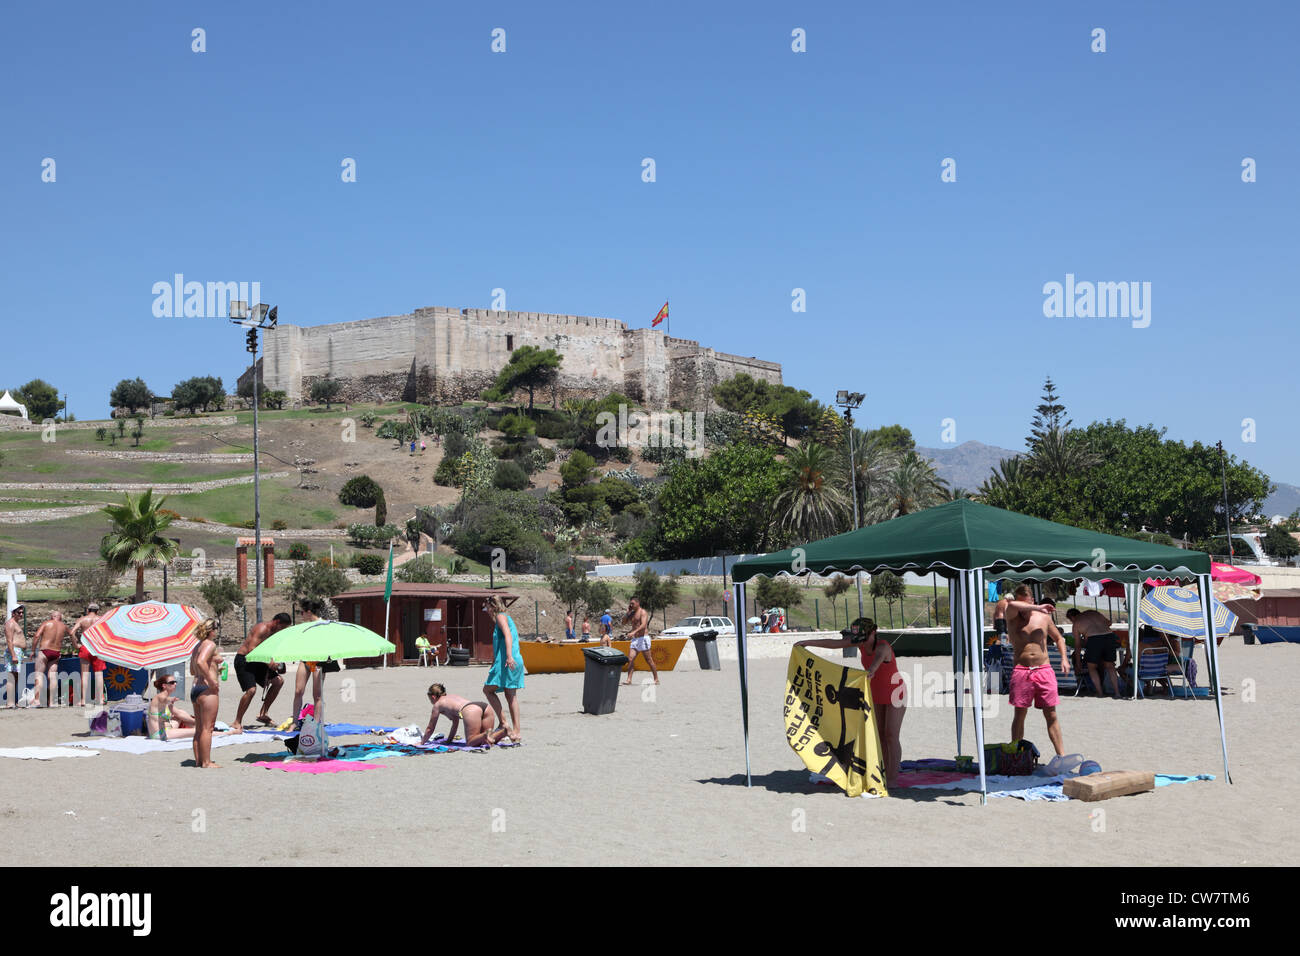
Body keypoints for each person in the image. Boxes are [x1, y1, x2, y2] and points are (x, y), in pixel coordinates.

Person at [796, 617, 906, 788]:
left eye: (864, 637)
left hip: (895, 693)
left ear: (873, 632)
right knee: (881, 736)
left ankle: (892, 779)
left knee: (891, 735)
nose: (861, 642)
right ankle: (884, 771)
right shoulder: (860, 643)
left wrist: (870, 672)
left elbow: (875, 664)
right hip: (876, 694)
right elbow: (834, 644)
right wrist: (807, 642)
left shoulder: (883, 647)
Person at [1005, 586, 1069, 757]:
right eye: (1020, 603)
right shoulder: (1013, 617)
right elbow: (1011, 606)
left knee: (1051, 714)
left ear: (1032, 600)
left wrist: (1064, 658)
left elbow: (1059, 638)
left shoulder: (1043, 618)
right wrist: (1036, 607)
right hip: (1022, 670)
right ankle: (1015, 754)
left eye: (1025, 603)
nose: (1022, 608)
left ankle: (1061, 756)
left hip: (1044, 669)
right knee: (1020, 713)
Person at [231, 612, 289, 731]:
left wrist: (278, 662)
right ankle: (237, 721)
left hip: (258, 661)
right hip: (245, 660)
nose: (283, 630)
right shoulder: (262, 628)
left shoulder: (275, 633)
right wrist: (269, 663)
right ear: (277, 622)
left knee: (278, 681)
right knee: (251, 690)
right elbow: (251, 649)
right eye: (283, 627)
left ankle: (263, 714)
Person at [482, 595, 524, 742]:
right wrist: (494, 661)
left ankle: (504, 723)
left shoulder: (500, 617)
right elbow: (500, 642)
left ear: (493, 606)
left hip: (508, 660)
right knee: (510, 695)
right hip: (510, 659)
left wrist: (508, 656)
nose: (486, 610)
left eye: (487, 607)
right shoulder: (504, 617)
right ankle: (516, 732)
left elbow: (508, 636)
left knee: (488, 690)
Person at [420, 683, 508, 746]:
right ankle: (504, 732)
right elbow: (455, 723)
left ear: (433, 697)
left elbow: (430, 728)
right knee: (485, 742)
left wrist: (422, 742)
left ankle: (485, 734)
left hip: (470, 710)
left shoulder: (437, 705)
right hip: (484, 706)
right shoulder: (452, 697)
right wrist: (449, 740)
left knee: (470, 742)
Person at [291, 601, 335, 728]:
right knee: (298, 691)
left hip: (318, 661)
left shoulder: (323, 625)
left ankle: (316, 723)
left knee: (317, 695)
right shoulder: (304, 626)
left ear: (309, 612)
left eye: (302, 612)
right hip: (306, 659)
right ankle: (294, 722)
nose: (301, 615)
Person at [1065, 608, 1122, 698]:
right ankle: (1117, 693)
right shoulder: (1093, 612)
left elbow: (1078, 645)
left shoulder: (1076, 623)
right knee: (1110, 666)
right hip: (1109, 636)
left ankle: (1100, 693)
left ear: (1072, 617)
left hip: (1094, 639)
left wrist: (1078, 662)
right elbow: (1109, 623)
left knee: (1091, 667)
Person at [189, 619, 222, 768]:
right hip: (206, 689)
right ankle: (206, 762)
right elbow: (202, 662)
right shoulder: (210, 644)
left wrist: (213, 667)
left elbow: (192, 669)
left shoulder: (197, 646)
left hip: (195, 688)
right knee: (208, 728)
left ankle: (199, 761)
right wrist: (211, 679)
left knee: (199, 728)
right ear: (212, 630)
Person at [71, 602, 106, 707]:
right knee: (99, 674)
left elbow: (72, 632)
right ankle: (100, 699)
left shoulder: (82, 619)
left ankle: (83, 700)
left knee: (85, 674)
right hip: (97, 647)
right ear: (97, 611)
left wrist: (76, 644)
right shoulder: (101, 619)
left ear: (87, 610)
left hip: (85, 647)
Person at [32, 611, 69, 707]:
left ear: (51, 617)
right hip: (56, 652)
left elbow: (36, 636)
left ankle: (37, 701)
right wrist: (76, 645)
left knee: (39, 675)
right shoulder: (64, 626)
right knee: (52, 677)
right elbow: (72, 635)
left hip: (45, 650)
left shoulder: (46, 623)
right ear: (60, 617)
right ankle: (52, 702)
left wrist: (32, 650)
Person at [146, 674, 197, 741]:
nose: (175, 684)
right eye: (172, 682)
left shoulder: (166, 699)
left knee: (179, 714)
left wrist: (195, 721)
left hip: (167, 728)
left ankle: (199, 725)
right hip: (160, 733)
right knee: (199, 732)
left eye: (175, 682)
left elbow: (178, 713)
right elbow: (163, 699)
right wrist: (170, 699)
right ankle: (207, 730)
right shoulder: (159, 697)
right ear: (164, 686)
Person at [621, 598, 659, 685]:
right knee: (630, 659)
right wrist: (627, 613)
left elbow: (643, 625)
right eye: (630, 603)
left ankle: (656, 679)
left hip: (643, 638)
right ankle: (629, 680)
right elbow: (623, 622)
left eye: (632, 604)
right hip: (635, 639)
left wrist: (634, 632)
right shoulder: (632, 613)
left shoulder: (643, 612)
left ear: (638, 603)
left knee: (649, 660)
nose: (631, 605)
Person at [3, 605, 25, 709]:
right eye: (18, 613)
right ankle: (10, 702)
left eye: (22, 612)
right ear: (13, 613)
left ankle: (13, 701)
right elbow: (9, 640)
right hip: (14, 651)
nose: (21, 614)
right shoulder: (10, 623)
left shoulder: (15, 623)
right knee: (11, 676)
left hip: (18, 652)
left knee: (15, 677)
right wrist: (13, 655)